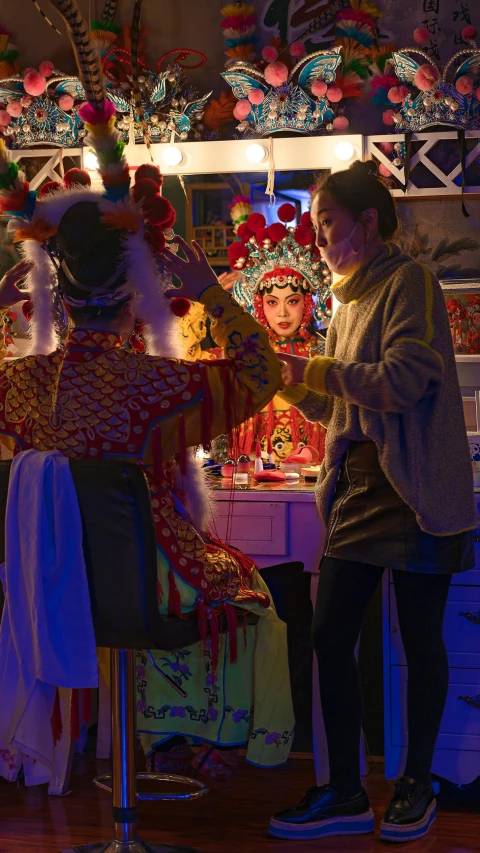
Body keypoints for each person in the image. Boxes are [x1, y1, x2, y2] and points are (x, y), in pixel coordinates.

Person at [0, 6, 294, 787]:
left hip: (56, 592)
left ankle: (154, 741)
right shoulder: (154, 384)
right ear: (135, 294)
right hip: (146, 587)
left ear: (53, 295)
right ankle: (213, 741)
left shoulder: (19, 383)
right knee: (253, 591)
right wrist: (212, 292)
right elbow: (264, 375)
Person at [268, 161, 477, 843]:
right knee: (329, 633)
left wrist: (314, 371)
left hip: (414, 488)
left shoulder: (407, 280)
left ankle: (416, 781)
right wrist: (288, 383)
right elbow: (340, 402)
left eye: (326, 221)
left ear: (365, 220)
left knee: (420, 640)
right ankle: (346, 790)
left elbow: (408, 378)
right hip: (360, 488)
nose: (318, 234)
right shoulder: (345, 300)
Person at [225, 204, 332, 462]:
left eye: (292, 301)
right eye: (272, 302)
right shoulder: (247, 354)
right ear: (259, 305)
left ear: (307, 303)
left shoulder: (325, 352)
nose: (282, 314)